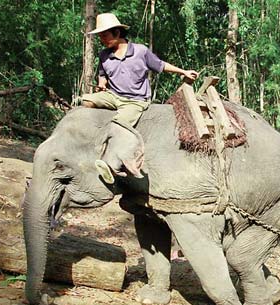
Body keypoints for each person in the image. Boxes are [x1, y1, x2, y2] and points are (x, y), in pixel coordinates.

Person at [82, 13, 198, 181]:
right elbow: (102, 75)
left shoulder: (140, 51)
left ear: (117, 33)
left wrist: (183, 71)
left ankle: (111, 166)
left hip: (134, 100)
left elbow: (161, 65)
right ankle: (89, 144)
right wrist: (101, 85)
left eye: (105, 35)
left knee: (119, 126)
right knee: (86, 101)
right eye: (100, 36)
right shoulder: (104, 55)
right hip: (113, 95)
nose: (102, 39)